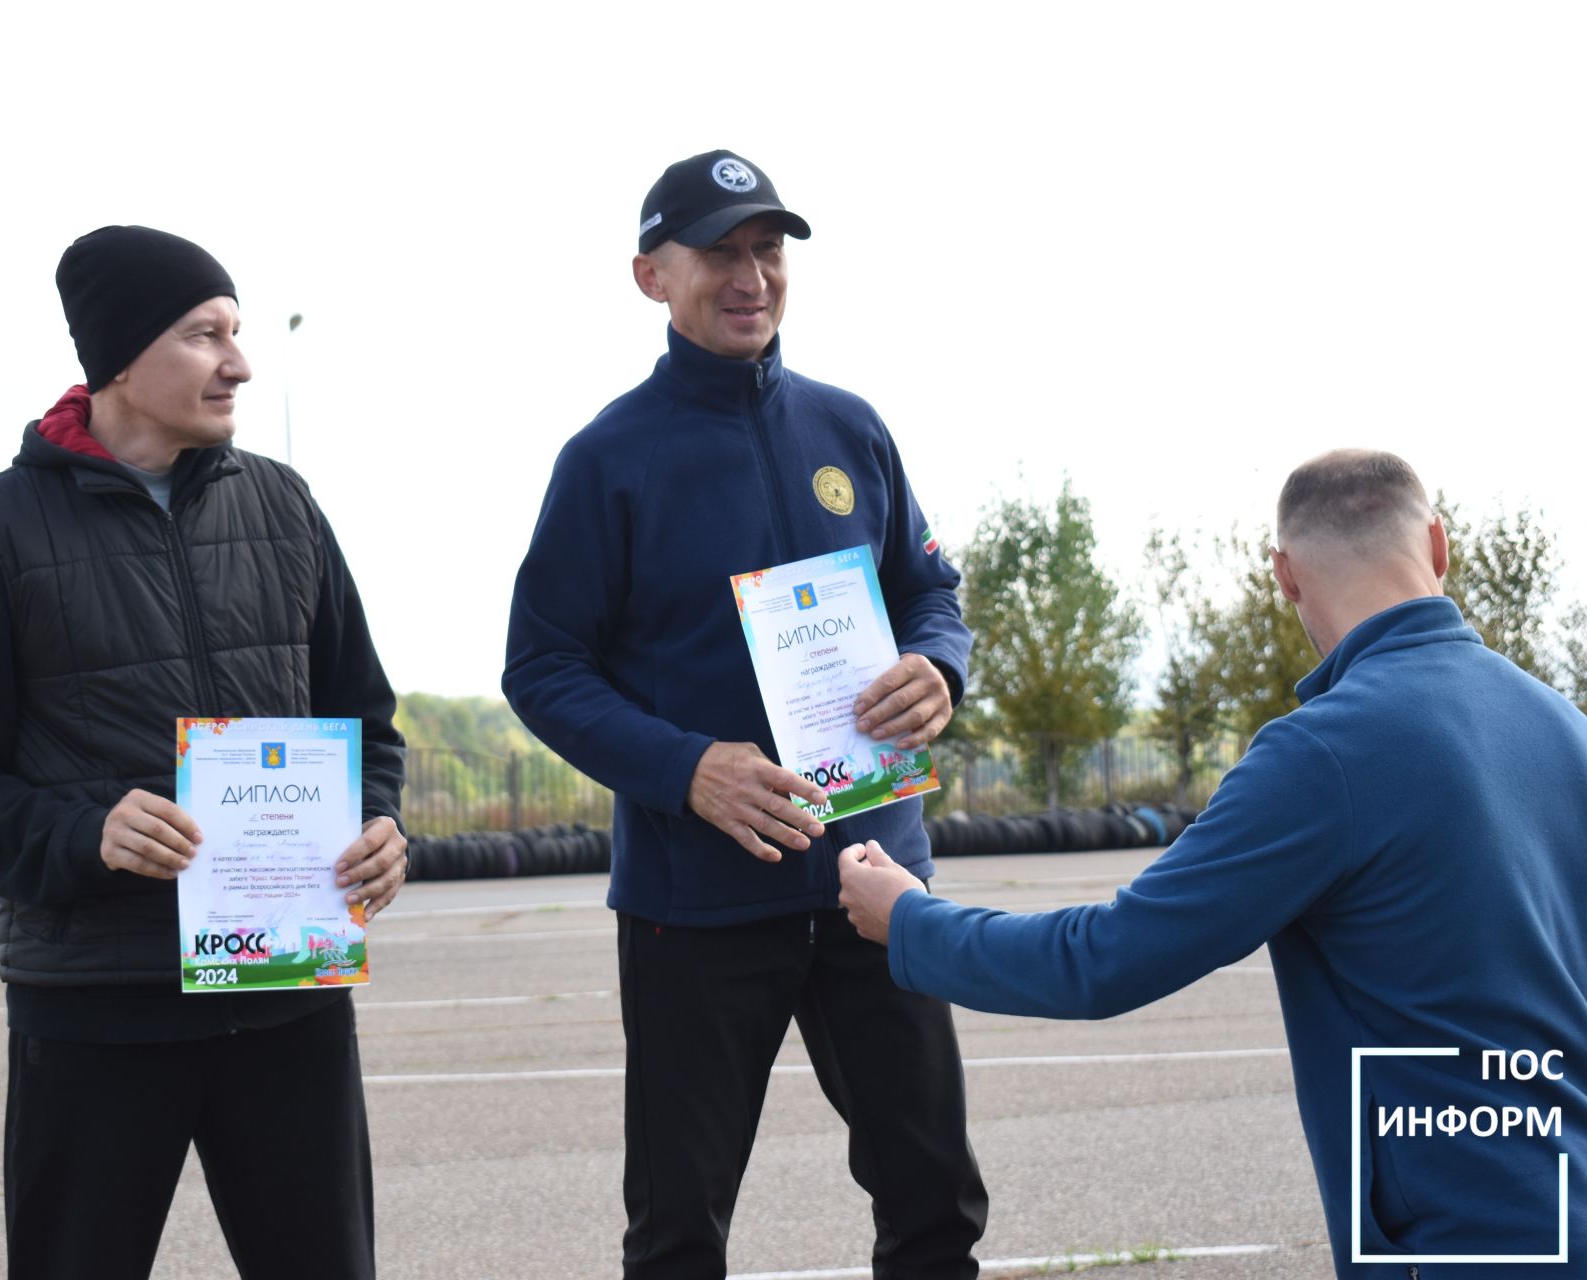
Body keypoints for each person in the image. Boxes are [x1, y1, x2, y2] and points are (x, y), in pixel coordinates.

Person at [839, 449, 1587, 1276]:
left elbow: (1104, 960)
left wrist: (909, 921)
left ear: (1286, 576)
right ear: (1439, 547)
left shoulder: (1324, 756)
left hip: (1467, 1242)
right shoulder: (1561, 725)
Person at [0, 225, 407, 1280]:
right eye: (204, 333)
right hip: (95, 1005)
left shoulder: (284, 506)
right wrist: (86, 835)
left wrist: (382, 822)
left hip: (286, 994)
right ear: (121, 357)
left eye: (239, 331)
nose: (239, 362)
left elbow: (365, 720)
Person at [503, 150, 987, 1279]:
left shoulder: (851, 427)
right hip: (699, 903)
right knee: (679, 1229)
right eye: (720, 251)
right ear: (650, 275)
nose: (751, 275)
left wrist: (938, 667)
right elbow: (542, 666)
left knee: (934, 1199)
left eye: (768, 249)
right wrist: (688, 769)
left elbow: (929, 589)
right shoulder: (608, 459)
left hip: (877, 881)